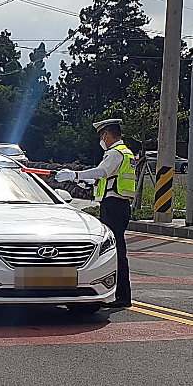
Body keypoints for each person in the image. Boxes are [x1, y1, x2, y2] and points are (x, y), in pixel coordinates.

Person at [55, 118, 135, 308]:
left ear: (107, 135)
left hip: (113, 206)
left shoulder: (115, 153)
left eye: (102, 136)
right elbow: (109, 178)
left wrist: (75, 175)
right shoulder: (126, 153)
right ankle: (121, 294)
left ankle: (121, 295)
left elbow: (102, 172)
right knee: (117, 249)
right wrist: (88, 182)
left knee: (115, 251)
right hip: (119, 204)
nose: (101, 140)